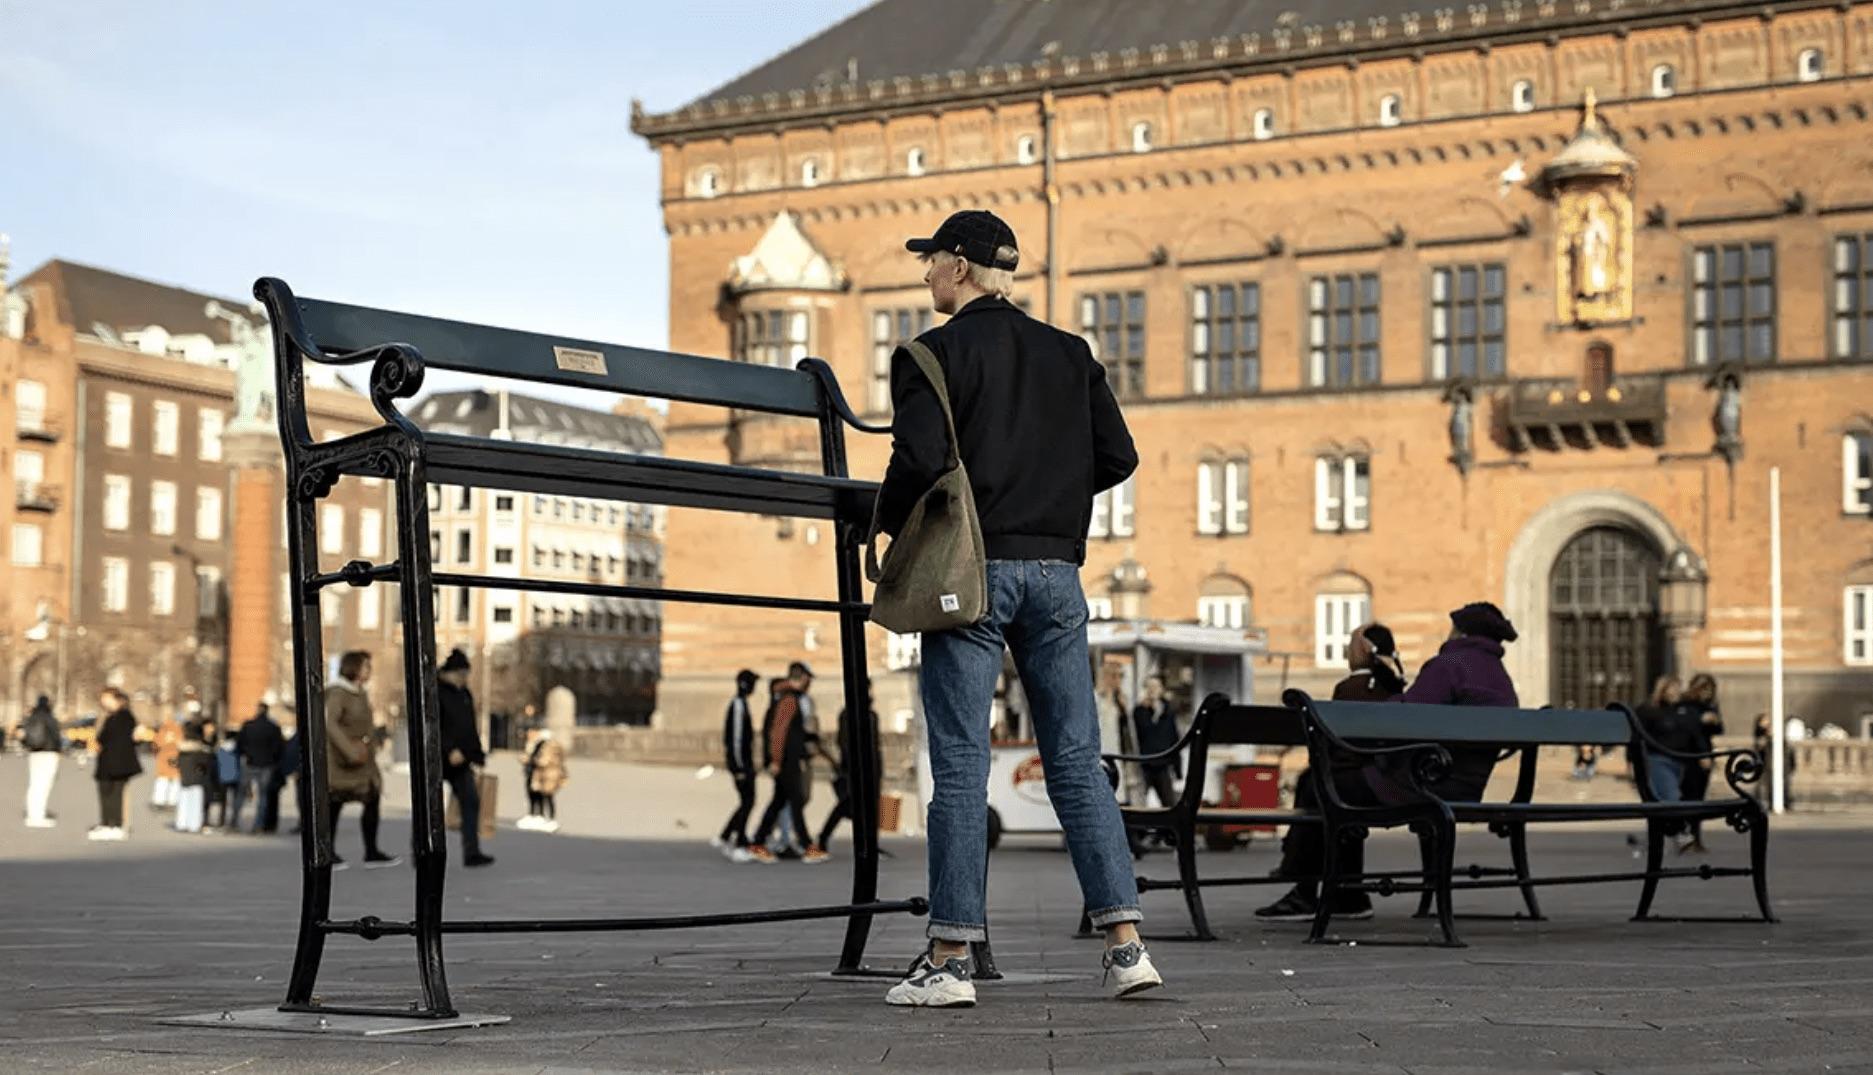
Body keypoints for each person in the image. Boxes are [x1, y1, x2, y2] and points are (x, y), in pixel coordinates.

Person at [875, 210, 1159, 1007]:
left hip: (972, 571)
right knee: (1075, 757)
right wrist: (1051, 497)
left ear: (960, 267)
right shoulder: (1071, 353)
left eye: (930, 262)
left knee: (961, 760)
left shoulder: (932, 354)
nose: (925, 275)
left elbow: (922, 459)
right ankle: (1125, 946)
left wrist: (884, 521)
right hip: (1058, 574)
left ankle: (949, 959)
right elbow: (1118, 456)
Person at [1257, 603, 1519, 923]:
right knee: (1339, 785)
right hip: (1463, 786)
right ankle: (1346, 893)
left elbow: (1401, 718)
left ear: (1462, 632)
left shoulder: (1450, 664)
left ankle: (1310, 890)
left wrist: (1384, 704)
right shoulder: (1499, 676)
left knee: (1320, 785)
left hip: (1416, 789)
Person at [1262, 622, 1407, 915]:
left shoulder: (1350, 687)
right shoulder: (1391, 686)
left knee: (1319, 789)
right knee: (1328, 795)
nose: (1345, 650)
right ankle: (1348, 894)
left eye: (1351, 643)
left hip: (1370, 781)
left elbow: (1337, 744)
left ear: (1363, 649)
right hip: (1391, 778)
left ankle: (1302, 885)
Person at [325, 651, 398, 868]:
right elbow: (329, 723)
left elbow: (364, 724)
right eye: (366, 667)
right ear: (354, 668)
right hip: (341, 760)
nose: (369, 671)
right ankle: (326, 851)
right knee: (334, 803)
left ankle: (371, 851)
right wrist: (349, 750)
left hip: (363, 760)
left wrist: (375, 740)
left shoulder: (361, 693)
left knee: (372, 798)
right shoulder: (338, 693)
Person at [748, 662, 815, 864]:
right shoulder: (789, 700)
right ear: (801, 678)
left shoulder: (789, 698)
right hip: (787, 761)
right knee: (794, 802)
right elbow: (779, 732)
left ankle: (760, 841)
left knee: (781, 802)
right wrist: (776, 760)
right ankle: (805, 845)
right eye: (807, 679)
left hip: (789, 759)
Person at [810, 688, 882, 862]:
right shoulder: (848, 715)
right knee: (847, 805)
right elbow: (844, 743)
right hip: (854, 769)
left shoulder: (871, 715)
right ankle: (823, 837)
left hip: (871, 769)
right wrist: (849, 768)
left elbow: (875, 745)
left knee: (871, 807)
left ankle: (871, 843)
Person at [437, 649, 495, 867]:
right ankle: (422, 850)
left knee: (471, 801)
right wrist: (448, 749)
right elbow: (435, 727)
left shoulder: (464, 694)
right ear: (450, 672)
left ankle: (472, 851)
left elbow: (469, 727)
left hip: (463, 759)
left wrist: (476, 754)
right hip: (441, 758)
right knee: (429, 807)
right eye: (461, 675)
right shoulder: (437, 692)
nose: (464, 680)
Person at [715, 669, 760, 861]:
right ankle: (739, 843)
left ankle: (727, 836)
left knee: (746, 801)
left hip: (742, 762)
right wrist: (739, 767)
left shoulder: (741, 704)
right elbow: (736, 739)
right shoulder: (738, 705)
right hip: (741, 764)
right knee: (748, 801)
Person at [89, 687, 142, 841]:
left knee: (116, 794)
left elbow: (113, 738)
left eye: (106, 698)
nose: (103, 702)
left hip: (118, 763)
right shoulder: (109, 716)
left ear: (117, 700)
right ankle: (106, 823)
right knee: (105, 792)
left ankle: (116, 824)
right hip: (107, 762)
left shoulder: (124, 717)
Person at [1678, 673, 1723, 852]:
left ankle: (1695, 838)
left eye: (1710, 690)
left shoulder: (1710, 706)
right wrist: (1699, 720)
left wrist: (1714, 720)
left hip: (1704, 756)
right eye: (1704, 689)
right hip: (1688, 756)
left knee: (1699, 800)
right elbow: (1687, 729)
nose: (1707, 693)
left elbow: (1719, 729)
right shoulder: (1685, 705)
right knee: (1688, 798)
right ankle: (1685, 837)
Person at [233, 699, 285, 834]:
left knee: (241, 794)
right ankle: (258, 825)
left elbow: (238, 745)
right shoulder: (273, 727)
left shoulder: (248, 725)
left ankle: (234, 822)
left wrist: (245, 755)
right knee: (263, 797)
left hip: (249, 763)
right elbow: (279, 747)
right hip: (266, 764)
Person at [1131, 676, 1182, 812]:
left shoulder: (1169, 712)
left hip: (1163, 764)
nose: (1152, 690)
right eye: (1149, 687)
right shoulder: (1139, 711)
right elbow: (1140, 733)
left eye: (1155, 686)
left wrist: (1178, 770)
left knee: (1169, 804)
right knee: (1138, 804)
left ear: (1161, 689)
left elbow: (1174, 739)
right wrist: (1150, 711)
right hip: (1144, 764)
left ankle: (1169, 832)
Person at [21, 695, 63, 828]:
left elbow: (24, 736)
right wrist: (59, 750)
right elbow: (56, 736)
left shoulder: (31, 717)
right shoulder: (50, 718)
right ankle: (39, 815)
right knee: (44, 784)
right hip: (49, 752)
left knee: (34, 783)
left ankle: (32, 813)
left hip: (34, 752)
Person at [520, 726, 567, 833]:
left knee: (547, 796)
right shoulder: (538, 745)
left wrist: (535, 761)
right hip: (543, 774)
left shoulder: (550, 746)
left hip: (548, 775)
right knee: (538, 795)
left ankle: (550, 818)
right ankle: (539, 816)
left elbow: (545, 760)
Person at [174, 715, 214, 834]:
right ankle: (194, 824)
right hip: (197, 780)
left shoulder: (182, 750)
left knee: (183, 802)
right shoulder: (200, 750)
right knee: (195, 803)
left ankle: (182, 823)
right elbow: (205, 764)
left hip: (184, 779)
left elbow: (177, 763)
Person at [150, 713, 183, 809]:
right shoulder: (179, 730)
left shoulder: (162, 730)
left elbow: (155, 744)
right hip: (175, 757)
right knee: (175, 780)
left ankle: (159, 800)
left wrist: (156, 755)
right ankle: (173, 800)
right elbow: (181, 742)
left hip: (163, 758)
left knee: (162, 780)